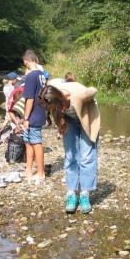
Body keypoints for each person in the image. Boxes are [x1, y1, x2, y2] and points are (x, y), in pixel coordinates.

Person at [39, 82, 100, 214]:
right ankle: (71, 194)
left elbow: (93, 90)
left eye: (53, 107)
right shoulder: (50, 97)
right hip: (69, 121)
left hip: (87, 119)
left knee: (86, 157)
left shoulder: (77, 96)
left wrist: (84, 92)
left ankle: (85, 194)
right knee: (71, 156)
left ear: (59, 100)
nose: (51, 110)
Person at [21, 50, 47, 183]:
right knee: (27, 141)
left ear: (26, 62)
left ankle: (41, 172)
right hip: (40, 111)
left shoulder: (31, 77)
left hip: (34, 114)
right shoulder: (42, 75)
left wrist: (25, 118)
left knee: (36, 142)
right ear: (36, 59)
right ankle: (29, 169)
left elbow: (29, 99)